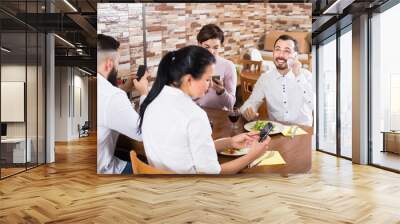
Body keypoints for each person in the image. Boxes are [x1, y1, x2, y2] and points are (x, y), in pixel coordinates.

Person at [138, 46, 271, 174]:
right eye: (207, 79)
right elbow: (213, 174)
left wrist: (230, 142)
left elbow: (182, 149)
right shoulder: (194, 115)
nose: (210, 85)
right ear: (189, 79)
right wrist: (252, 156)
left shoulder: (151, 100)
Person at [97, 34, 149, 174]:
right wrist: (144, 93)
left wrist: (124, 89)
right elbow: (142, 133)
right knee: (147, 166)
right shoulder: (112, 96)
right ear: (109, 63)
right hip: (105, 170)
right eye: (118, 63)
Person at [240, 34, 314, 126]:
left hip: (303, 131)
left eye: (287, 51)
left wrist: (298, 76)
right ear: (273, 52)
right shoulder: (265, 78)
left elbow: (314, 105)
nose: (281, 55)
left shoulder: (306, 76)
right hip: (277, 131)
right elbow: (250, 103)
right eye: (277, 49)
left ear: (295, 56)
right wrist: (248, 111)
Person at [195, 24, 237, 110]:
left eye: (216, 47)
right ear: (199, 44)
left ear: (220, 46)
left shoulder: (228, 66)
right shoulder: (190, 64)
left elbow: (231, 104)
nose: (211, 51)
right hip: (195, 116)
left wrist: (220, 91)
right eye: (206, 47)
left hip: (219, 118)